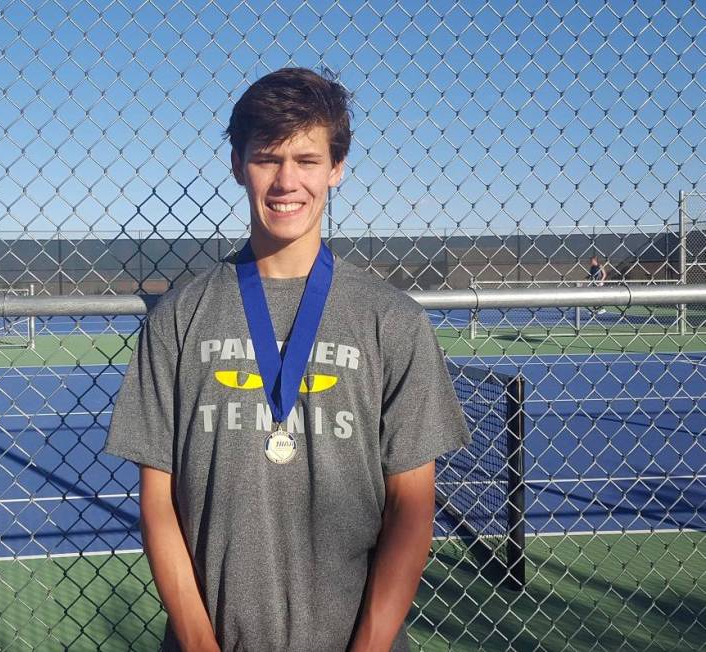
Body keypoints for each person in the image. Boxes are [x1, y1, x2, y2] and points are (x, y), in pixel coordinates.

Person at [104, 67, 470, 652]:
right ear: (236, 165)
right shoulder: (177, 317)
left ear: (336, 169)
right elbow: (157, 500)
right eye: (267, 158)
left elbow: (412, 504)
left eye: (305, 160)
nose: (285, 182)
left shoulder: (392, 319)